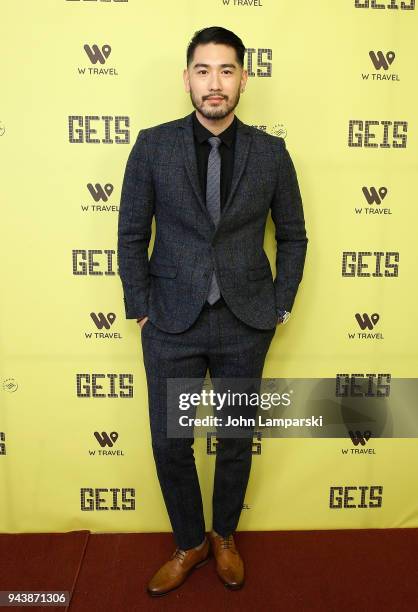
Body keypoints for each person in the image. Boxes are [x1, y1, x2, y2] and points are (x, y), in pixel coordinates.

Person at [117, 26, 308, 597]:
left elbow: (293, 236)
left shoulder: (270, 153)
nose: (215, 83)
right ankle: (189, 541)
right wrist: (142, 307)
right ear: (187, 79)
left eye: (227, 71)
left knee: (234, 435)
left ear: (243, 78)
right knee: (169, 442)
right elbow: (131, 234)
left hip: (246, 320)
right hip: (170, 319)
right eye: (204, 71)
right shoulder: (153, 146)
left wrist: (279, 306)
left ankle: (224, 535)